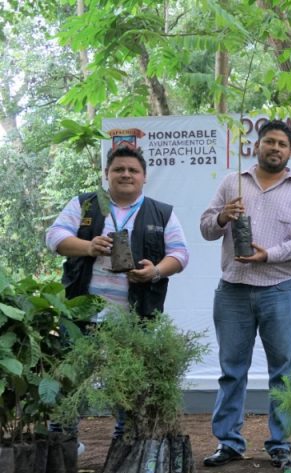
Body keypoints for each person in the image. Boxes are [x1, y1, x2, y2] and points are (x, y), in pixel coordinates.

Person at [46, 145, 190, 446]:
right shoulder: (84, 204)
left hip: (133, 316)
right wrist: (88, 247)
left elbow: (180, 254)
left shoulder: (161, 212)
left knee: (129, 382)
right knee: (71, 380)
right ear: (106, 174)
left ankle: (124, 443)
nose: (126, 174)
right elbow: (55, 237)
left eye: (132, 170)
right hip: (81, 313)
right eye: (119, 169)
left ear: (144, 177)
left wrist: (155, 271)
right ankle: (62, 444)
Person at [199, 120, 291, 467]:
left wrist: (270, 254)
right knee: (231, 368)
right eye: (269, 142)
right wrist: (223, 216)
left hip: (279, 290)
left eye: (282, 143)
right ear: (257, 146)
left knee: (283, 370)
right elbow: (206, 228)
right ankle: (229, 442)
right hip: (233, 289)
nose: (275, 148)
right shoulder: (233, 183)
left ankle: (280, 442)